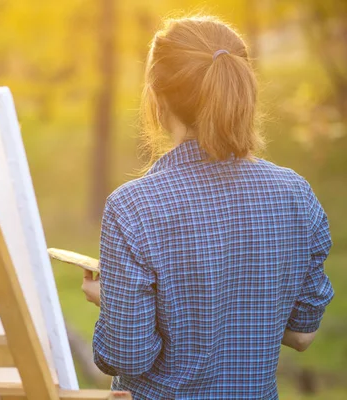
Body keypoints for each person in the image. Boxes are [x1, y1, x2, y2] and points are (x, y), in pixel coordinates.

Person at [81, 15, 334, 399]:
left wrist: (113, 301)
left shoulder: (133, 207)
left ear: (156, 97)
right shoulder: (296, 195)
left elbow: (128, 356)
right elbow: (301, 334)